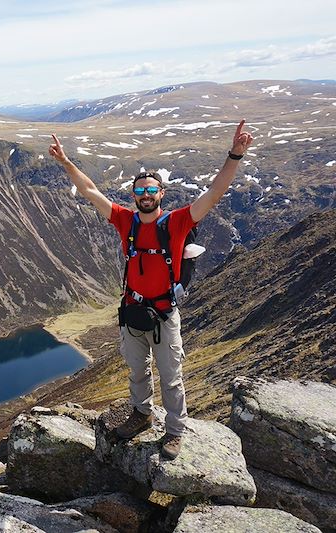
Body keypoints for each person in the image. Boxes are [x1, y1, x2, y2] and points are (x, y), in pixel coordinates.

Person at [48, 121, 253, 459]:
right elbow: (90, 192)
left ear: (161, 194)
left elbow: (215, 192)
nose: (145, 196)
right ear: (134, 196)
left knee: (171, 378)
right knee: (137, 370)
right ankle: (141, 415)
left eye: (150, 191)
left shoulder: (177, 222)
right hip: (131, 312)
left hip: (164, 314)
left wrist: (235, 155)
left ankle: (174, 432)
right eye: (139, 191)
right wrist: (66, 163)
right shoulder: (125, 221)